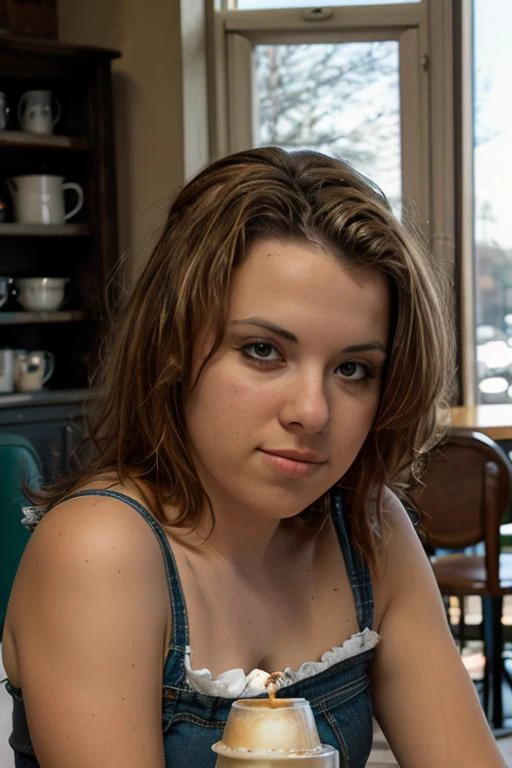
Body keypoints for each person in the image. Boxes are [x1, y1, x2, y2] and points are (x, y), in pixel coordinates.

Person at [2, 146, 505, 768]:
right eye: (264, 350)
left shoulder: (371, 531)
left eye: (353, 368)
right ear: (173, 347)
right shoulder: (101, 548)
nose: (313, 411)